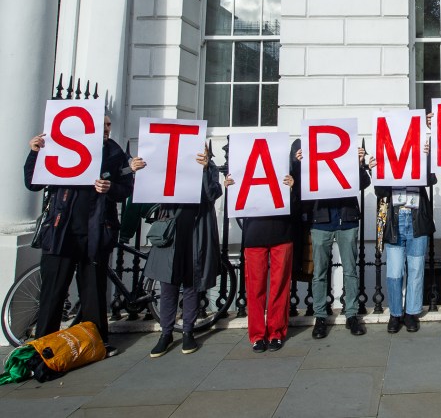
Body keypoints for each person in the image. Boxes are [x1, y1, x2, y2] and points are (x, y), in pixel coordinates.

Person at [24, 114, 132, 356]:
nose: (107, 128)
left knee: (93, 291)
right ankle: (43, 348)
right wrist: (35, 153)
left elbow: (126, 187)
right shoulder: (61, 149)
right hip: (61, 231)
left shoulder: (114, 152)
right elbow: (33, 183)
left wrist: (111, 188)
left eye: (109, 124)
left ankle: (96, 343)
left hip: (95, 233)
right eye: (103, 124)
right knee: (53, 292)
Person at [137, 148, 223, 357]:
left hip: (196, 231)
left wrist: (203, 170)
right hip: (172, 231)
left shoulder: (210, 168)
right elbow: (151, 189)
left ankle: (187, 331)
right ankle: (165, 333)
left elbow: (213, 193)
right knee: (168, 284)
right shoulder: (170, 166)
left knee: (191, 283)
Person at [290, 141, 370, 338]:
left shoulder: (345, 152)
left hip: (347, 218)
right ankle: (320, 316)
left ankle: (351, 314)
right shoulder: (309, 153)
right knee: (319, 272)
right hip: (320, 219)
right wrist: (298, 164)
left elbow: (364, 183)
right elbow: (299, 189)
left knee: (350, 270)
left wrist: (359, 164)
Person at [370, 134, 436, 334]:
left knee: (416, 270)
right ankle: (395, 313)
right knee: (394, 272)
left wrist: (426, 158)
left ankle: (411, 313)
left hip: (416, 220)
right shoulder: (387, 159)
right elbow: (380, 191)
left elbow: (430, 179)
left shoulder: (419, 157)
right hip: (395, 221)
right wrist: (376, 169)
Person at [226, 172, 296, 352]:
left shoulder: (285, 161)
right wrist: (230, 189)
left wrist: (292, 188)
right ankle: (257, 335)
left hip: (281, 231)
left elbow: (298, 203)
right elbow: (236, 204)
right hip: (254, 234)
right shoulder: (244, 165)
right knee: (255, 287)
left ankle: (276, 332)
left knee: (279, 286)